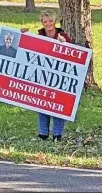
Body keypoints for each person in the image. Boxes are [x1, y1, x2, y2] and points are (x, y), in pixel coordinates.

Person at [21, 9, 72, 142]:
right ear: (42, 23)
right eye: (45, 21)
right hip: (43, 76)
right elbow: (30, 49)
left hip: (59, 77)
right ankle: (43, 133)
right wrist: (25, 36)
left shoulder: (63, 36)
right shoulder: (39, 36)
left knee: (57, 105)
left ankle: (57, 134)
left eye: (50, 21)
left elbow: (72, 55)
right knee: (42, 105)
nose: (48, 24)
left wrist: (64, 44)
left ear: (55, 22)